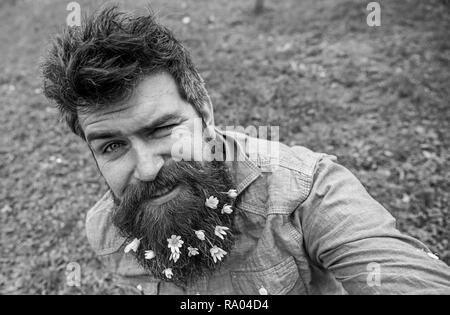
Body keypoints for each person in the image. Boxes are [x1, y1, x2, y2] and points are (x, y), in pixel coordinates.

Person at [41, 6, 450, 295]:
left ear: (204, 113)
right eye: (112, 145)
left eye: (163, 129)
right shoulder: (107, 233)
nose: (146, 169)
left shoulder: (305, 194)